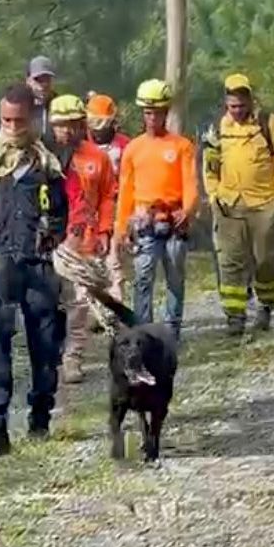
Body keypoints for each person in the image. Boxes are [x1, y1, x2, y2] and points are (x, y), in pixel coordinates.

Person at [0, 83, 69, 454]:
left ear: (32, 118)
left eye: (18, 120)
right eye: (5, 120)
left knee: (45, 343)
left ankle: (40, 413)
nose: (10, 127)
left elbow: (66, 209)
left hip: (37, 263)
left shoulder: (49, 161)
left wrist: (59, 239)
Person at [202, 74, 274, 335]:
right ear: (226, 104)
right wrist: (214, 194)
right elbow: (210, 165)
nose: (238, 111)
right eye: (232, 106)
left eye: (241, 105)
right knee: (230, 261)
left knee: (265, 260)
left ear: (250, 101)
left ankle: (265, 306)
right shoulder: (217, 128)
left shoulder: (267, 123)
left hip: (265, 204)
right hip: (229, 205)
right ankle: (235, 316)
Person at [115, 79, 199, 340]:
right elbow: (126, 190)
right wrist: (121, 228)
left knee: (175, 278)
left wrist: (188, 210)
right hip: (144, 221)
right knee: (142, 278)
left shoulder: (181, 146)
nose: (153, 118)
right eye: (148, 112)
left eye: (158, 112)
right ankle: (143, 332)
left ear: (166, 112)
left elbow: (191, 182)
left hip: (174, 221)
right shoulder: (133, 148)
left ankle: (172, 333)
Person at [44, 95, 117, 384]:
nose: (66, 132)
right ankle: (49, 354)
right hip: (50, 240)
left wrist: (104, 231)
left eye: (72, 125)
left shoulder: (97, 158)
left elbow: (108, 196)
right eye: (60, 126)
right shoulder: (44, 157)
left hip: (84, 240)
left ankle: (73, 357)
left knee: (78, 303)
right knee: (48, 300)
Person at [87, 94, 130, 306]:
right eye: (95, 123)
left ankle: (117, 309)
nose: (99, 128)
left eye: (103, 123)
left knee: (114, 263)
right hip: (88, 211)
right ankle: (93, 310)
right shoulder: (83, 145)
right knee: (89, 262)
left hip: (115, 207)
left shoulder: (124, 146)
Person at [26, 55, 58, 147]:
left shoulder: (59, 105)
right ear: (28, 80)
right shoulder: (21, 106)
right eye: (38, 80)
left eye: (47, 79)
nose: (43, 84)